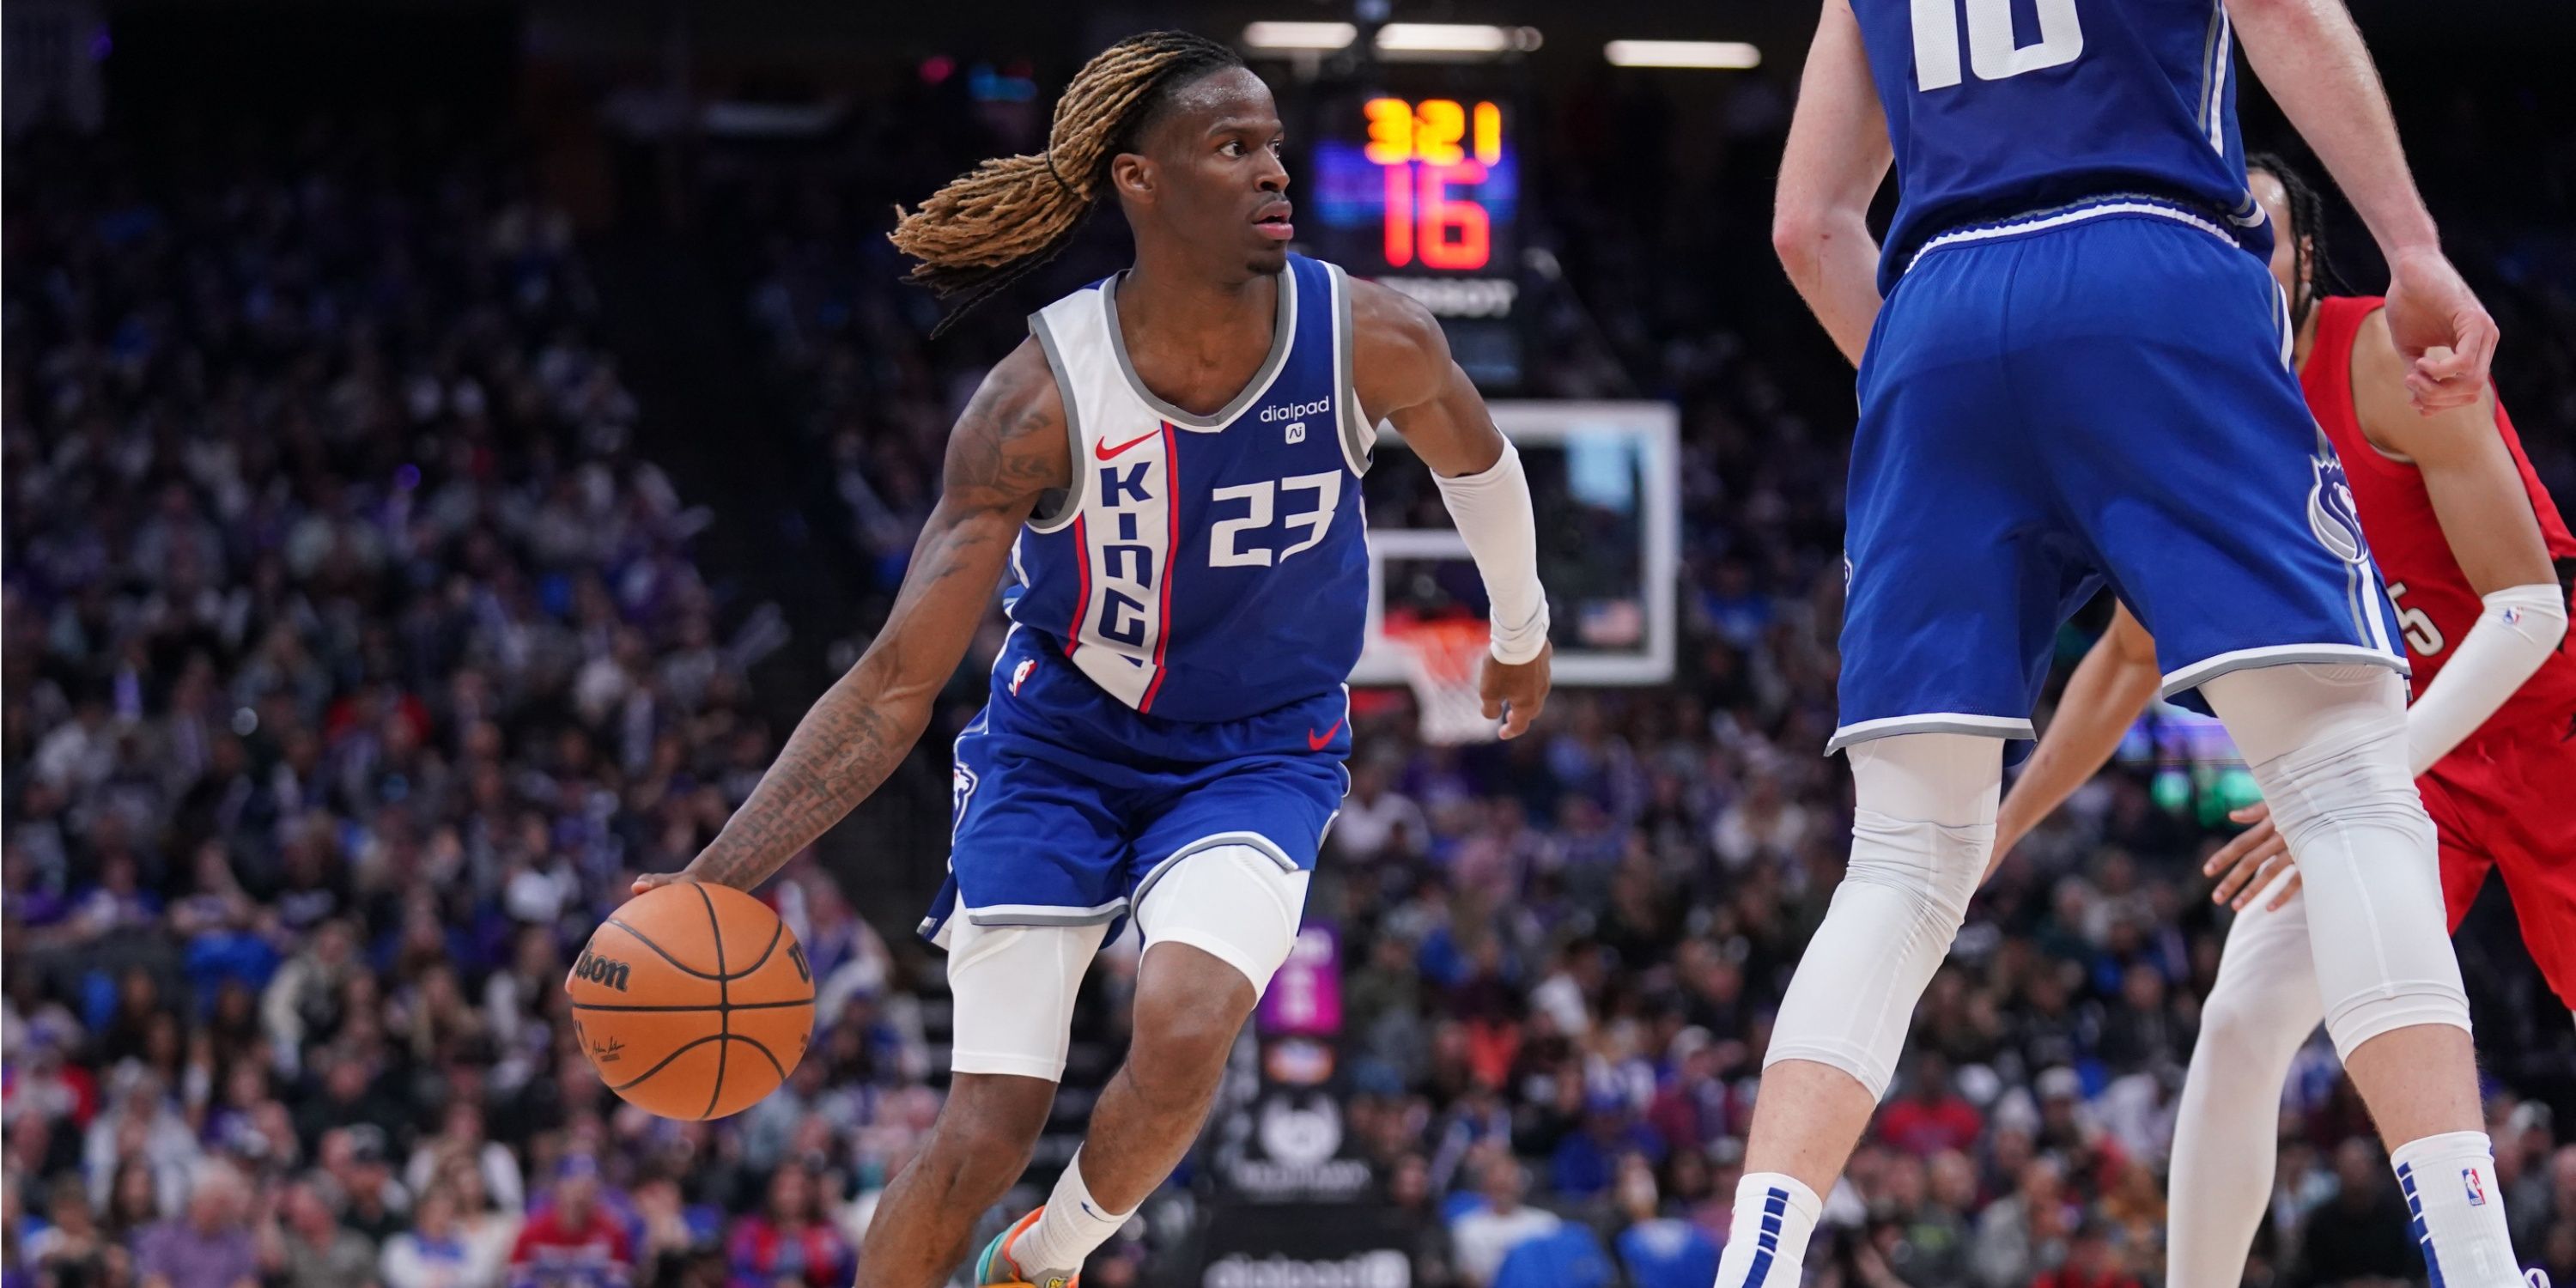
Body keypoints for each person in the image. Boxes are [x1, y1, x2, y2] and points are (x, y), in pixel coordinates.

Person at [629, 28, 1552, 1288]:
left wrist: (1522, 633)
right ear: (1140, 181)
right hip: (1060, 746)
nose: (1277, 171)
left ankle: (1044, 1260)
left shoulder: (1367, 336)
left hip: (1258, 749)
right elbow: (896, 681)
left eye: (1275, 143)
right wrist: (717, 876)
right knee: (985, 1128)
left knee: (1183, 1027)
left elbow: (1479, 462)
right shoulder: (1036, 402)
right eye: (1235, 148)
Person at [1743, 0, 2523, 1279]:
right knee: (2351, 797)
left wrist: (1937, 382)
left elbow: (1806, 225)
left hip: (1935, 309)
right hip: (2148, 265)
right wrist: (2416, 246)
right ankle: (2483, 1263)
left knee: (1897, 867)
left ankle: (1753, 1263)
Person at [1992, 154, 2576, 1288]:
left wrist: (2366, 770)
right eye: (2213, 245)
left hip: (2544, 726)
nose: (2241, 264)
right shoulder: (2187, 425)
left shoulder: (2382, 358)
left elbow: (2533, 616)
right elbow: (2127, 656)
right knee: (2245, 1014)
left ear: (2307, 258)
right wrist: (2001, 829)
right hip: (2405, 770)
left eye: (2262, 239)